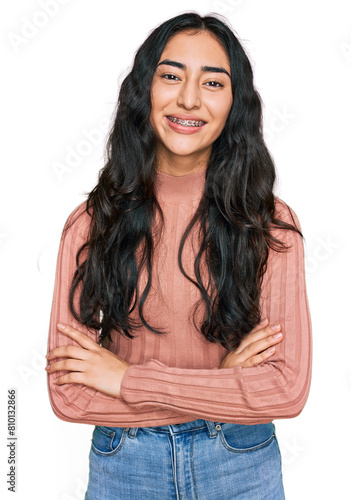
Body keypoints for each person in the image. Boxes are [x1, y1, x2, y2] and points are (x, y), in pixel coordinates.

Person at [45, 12, 312, 500]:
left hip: (239, 463)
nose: (189, 98)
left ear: (236, 104)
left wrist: (124, 378)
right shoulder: (90, 223)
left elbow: (287, 389)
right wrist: (220, 385)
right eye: (171, 76)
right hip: (124, 465)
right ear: (144, 89)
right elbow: (69, 394)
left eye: (213, 82)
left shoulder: (269, 225)